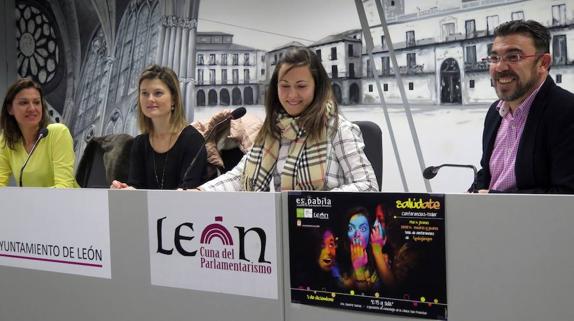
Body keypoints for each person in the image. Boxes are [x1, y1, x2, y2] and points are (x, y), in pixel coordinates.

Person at [197, 47, 378, 192]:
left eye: (301, 86)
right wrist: (200, 192)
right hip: (285, 229)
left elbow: (368, 186)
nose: (292, 95)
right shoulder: (274, 131)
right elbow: (240, 177)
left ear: (318, 86)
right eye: (284, 86)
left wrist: (317, 204)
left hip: (328, 232)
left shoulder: (339, 129)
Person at [473, 20, 574, 193]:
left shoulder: (567, 111)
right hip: (488, 218)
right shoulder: (495, 112)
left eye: (513, 57)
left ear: (543, 63)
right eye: (495, 58)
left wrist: (494, 199)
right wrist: (469, 196)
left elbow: (566, 194)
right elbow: (487, 174)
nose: (500, 67)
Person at [111, 65, 207, 190]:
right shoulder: (139, 143)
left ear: (173, 99)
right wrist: (125, 191)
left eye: (158, 93)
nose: (150, 99)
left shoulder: (193, 140)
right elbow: (137, 186)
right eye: (144, 93)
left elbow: (188, 193)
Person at [0, 78, 78, 188]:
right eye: (24, 103)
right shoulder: (6, 140)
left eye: (37, 102)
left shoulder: (58, 133)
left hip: (66, 204)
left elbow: (63, 187)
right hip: (29, 205)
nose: (32, 108)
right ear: (10, 109)